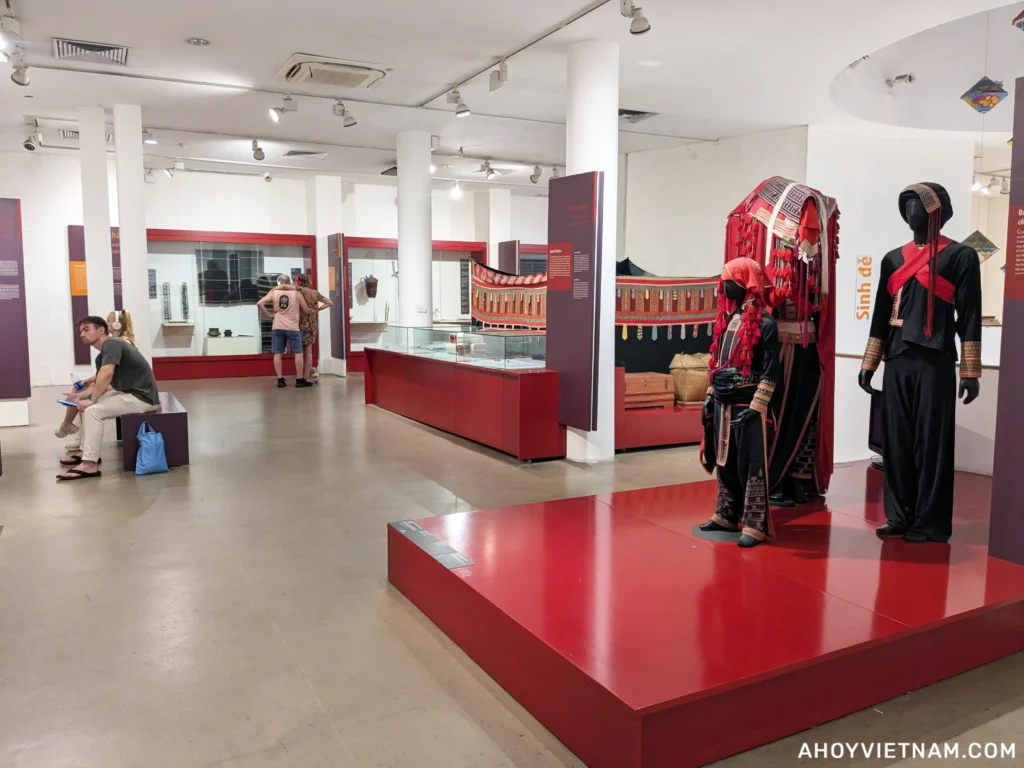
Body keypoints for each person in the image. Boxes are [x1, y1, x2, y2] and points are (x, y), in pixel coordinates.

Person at [698, 258, 780, 548]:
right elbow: (718, 363)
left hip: (747, 406)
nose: (723, 286)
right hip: (722, 403)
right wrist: (710, 396)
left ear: (746, 284)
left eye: (729, 281)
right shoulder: (728, 319)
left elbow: (771, 371)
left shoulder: (766, 324)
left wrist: (756, 408)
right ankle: (726, 514)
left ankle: (754, 523)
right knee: (725, 460)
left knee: (750, 465)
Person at [57, 315, 160, 481]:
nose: (82, 334)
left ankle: (89, 464)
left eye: (86, 329)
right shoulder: (102, 355)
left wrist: (92, 399)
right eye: (81, 331)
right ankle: (86, 451)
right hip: (129, 393)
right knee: (85, 406)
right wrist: (79, 397)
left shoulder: (112, 343)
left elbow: (106, 374)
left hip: (143, 398)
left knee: (93, 411)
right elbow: (100, 382)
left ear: (101, 330)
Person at [55, 310, 136, 445]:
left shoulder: (119, 343)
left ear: (117, 324)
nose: (106, 323)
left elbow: (108, 372)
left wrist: (91, 393)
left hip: (125, 385)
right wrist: (89, 381)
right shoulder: (113, 343)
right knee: (82, 390)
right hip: (118, 382)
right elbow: (105, 371)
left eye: (108, 321)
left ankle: (75, 432)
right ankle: (76, 432)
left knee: (83, 396)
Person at [258, 274, 314, 388]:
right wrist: (314, 310)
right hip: (293, 327)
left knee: (278, 353)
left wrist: (269, 316)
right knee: (298, 353)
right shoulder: (297, 293)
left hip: (277, 327)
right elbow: (306, 310)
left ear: (279, 282)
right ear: (290, 282)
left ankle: (280, 379)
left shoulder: (273, 292)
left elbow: (259, 303)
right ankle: (299, 380)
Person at [295, 273, 332, 384]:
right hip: (312, 325)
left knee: (299, 352)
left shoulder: (299, 291)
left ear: (299, 281)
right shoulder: (315, 292)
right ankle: (306, 377)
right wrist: (317, 310)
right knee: (309, 352)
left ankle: (301, 376)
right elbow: (329, 302)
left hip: (299, 325)